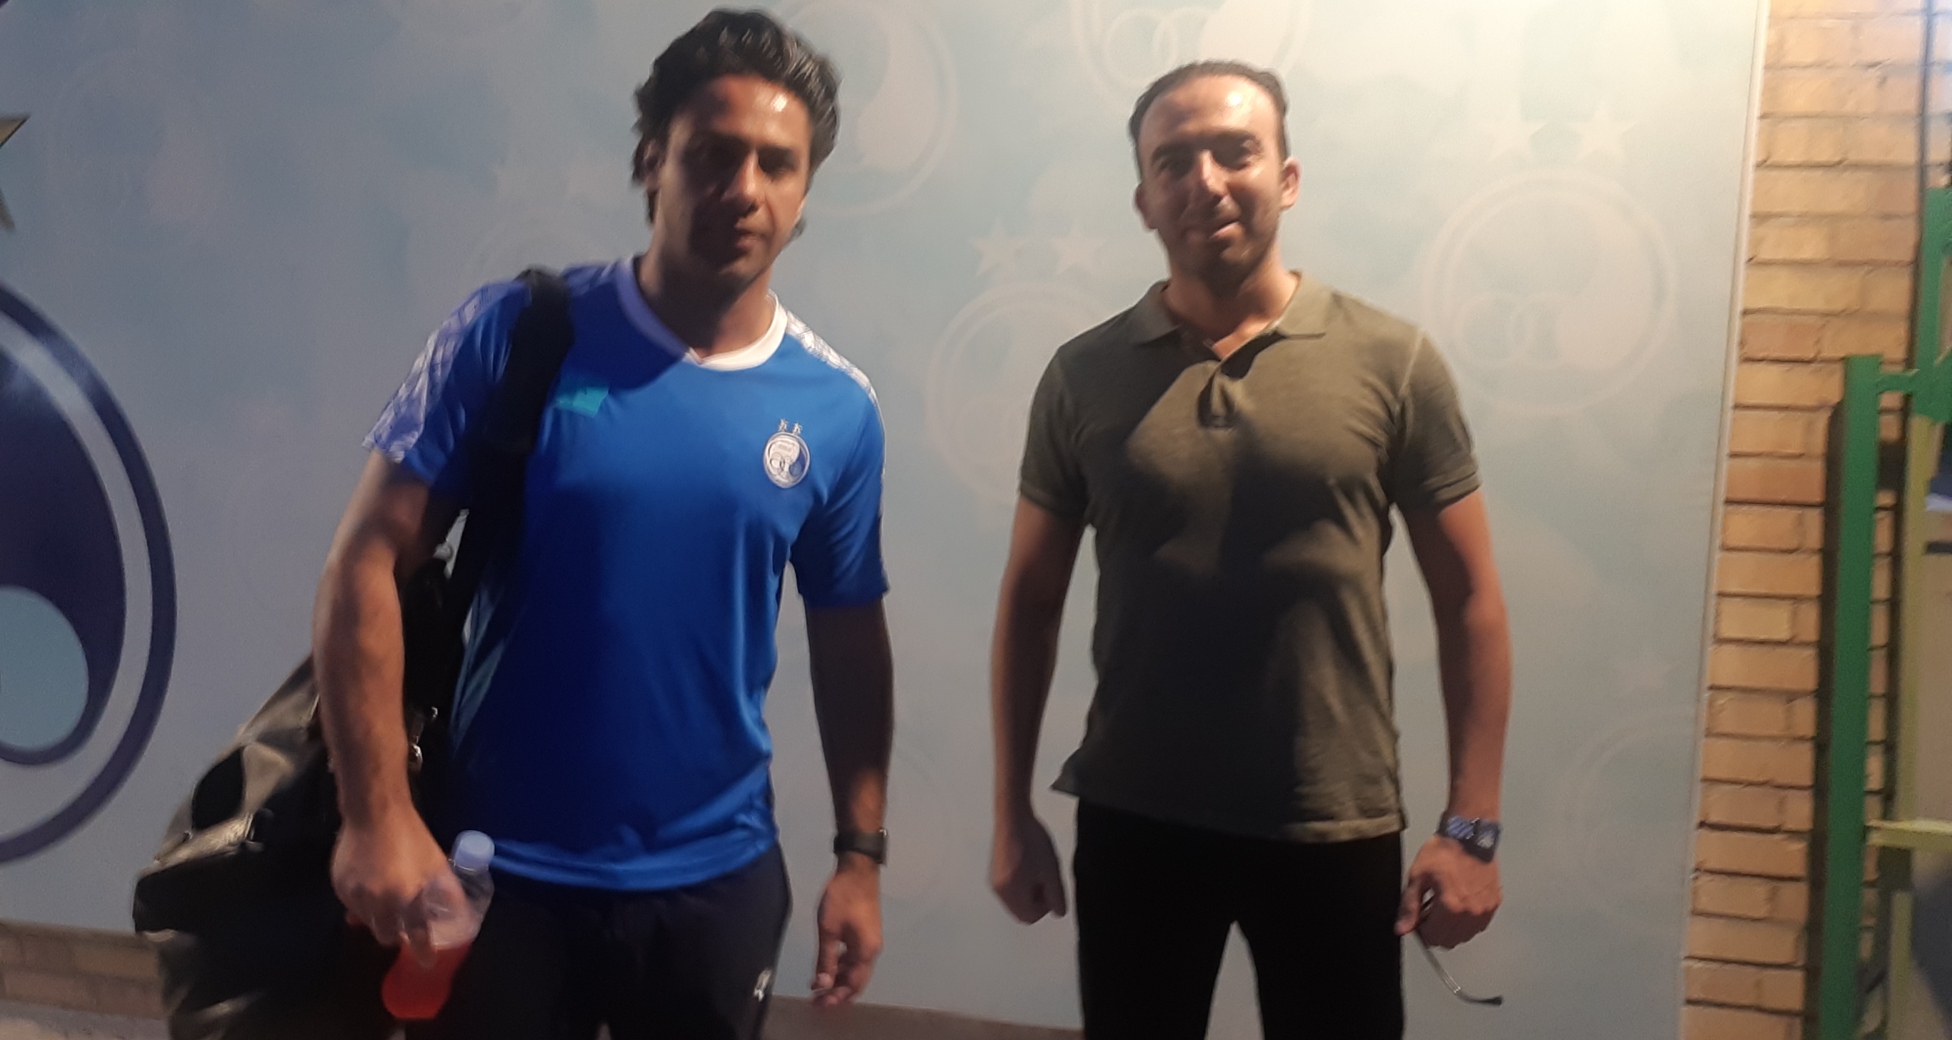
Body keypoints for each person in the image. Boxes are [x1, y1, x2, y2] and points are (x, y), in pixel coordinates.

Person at [314, 11, 893, 1039]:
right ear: (650, 161)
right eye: (711, 154)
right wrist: (375, 813)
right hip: (495, 872)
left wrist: (860, 855)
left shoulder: (839, 409)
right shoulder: (519, 331)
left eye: (776, 164)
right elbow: (368, 558)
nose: (743, 189)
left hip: (716, 884)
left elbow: (849, 641)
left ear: (805, 192)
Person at [988, 60, 1513, 1039]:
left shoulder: (1392, 361)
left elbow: (1471, 599)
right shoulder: (1081, 376)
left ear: (1287, 175)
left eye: (1235, 151)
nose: (1206, 181)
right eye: (1172, 161)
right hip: (1135, 817)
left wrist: (1470, 828)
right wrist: (1009, 811)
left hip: (1332, 819)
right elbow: (1029, 601)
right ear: (1143, 200)